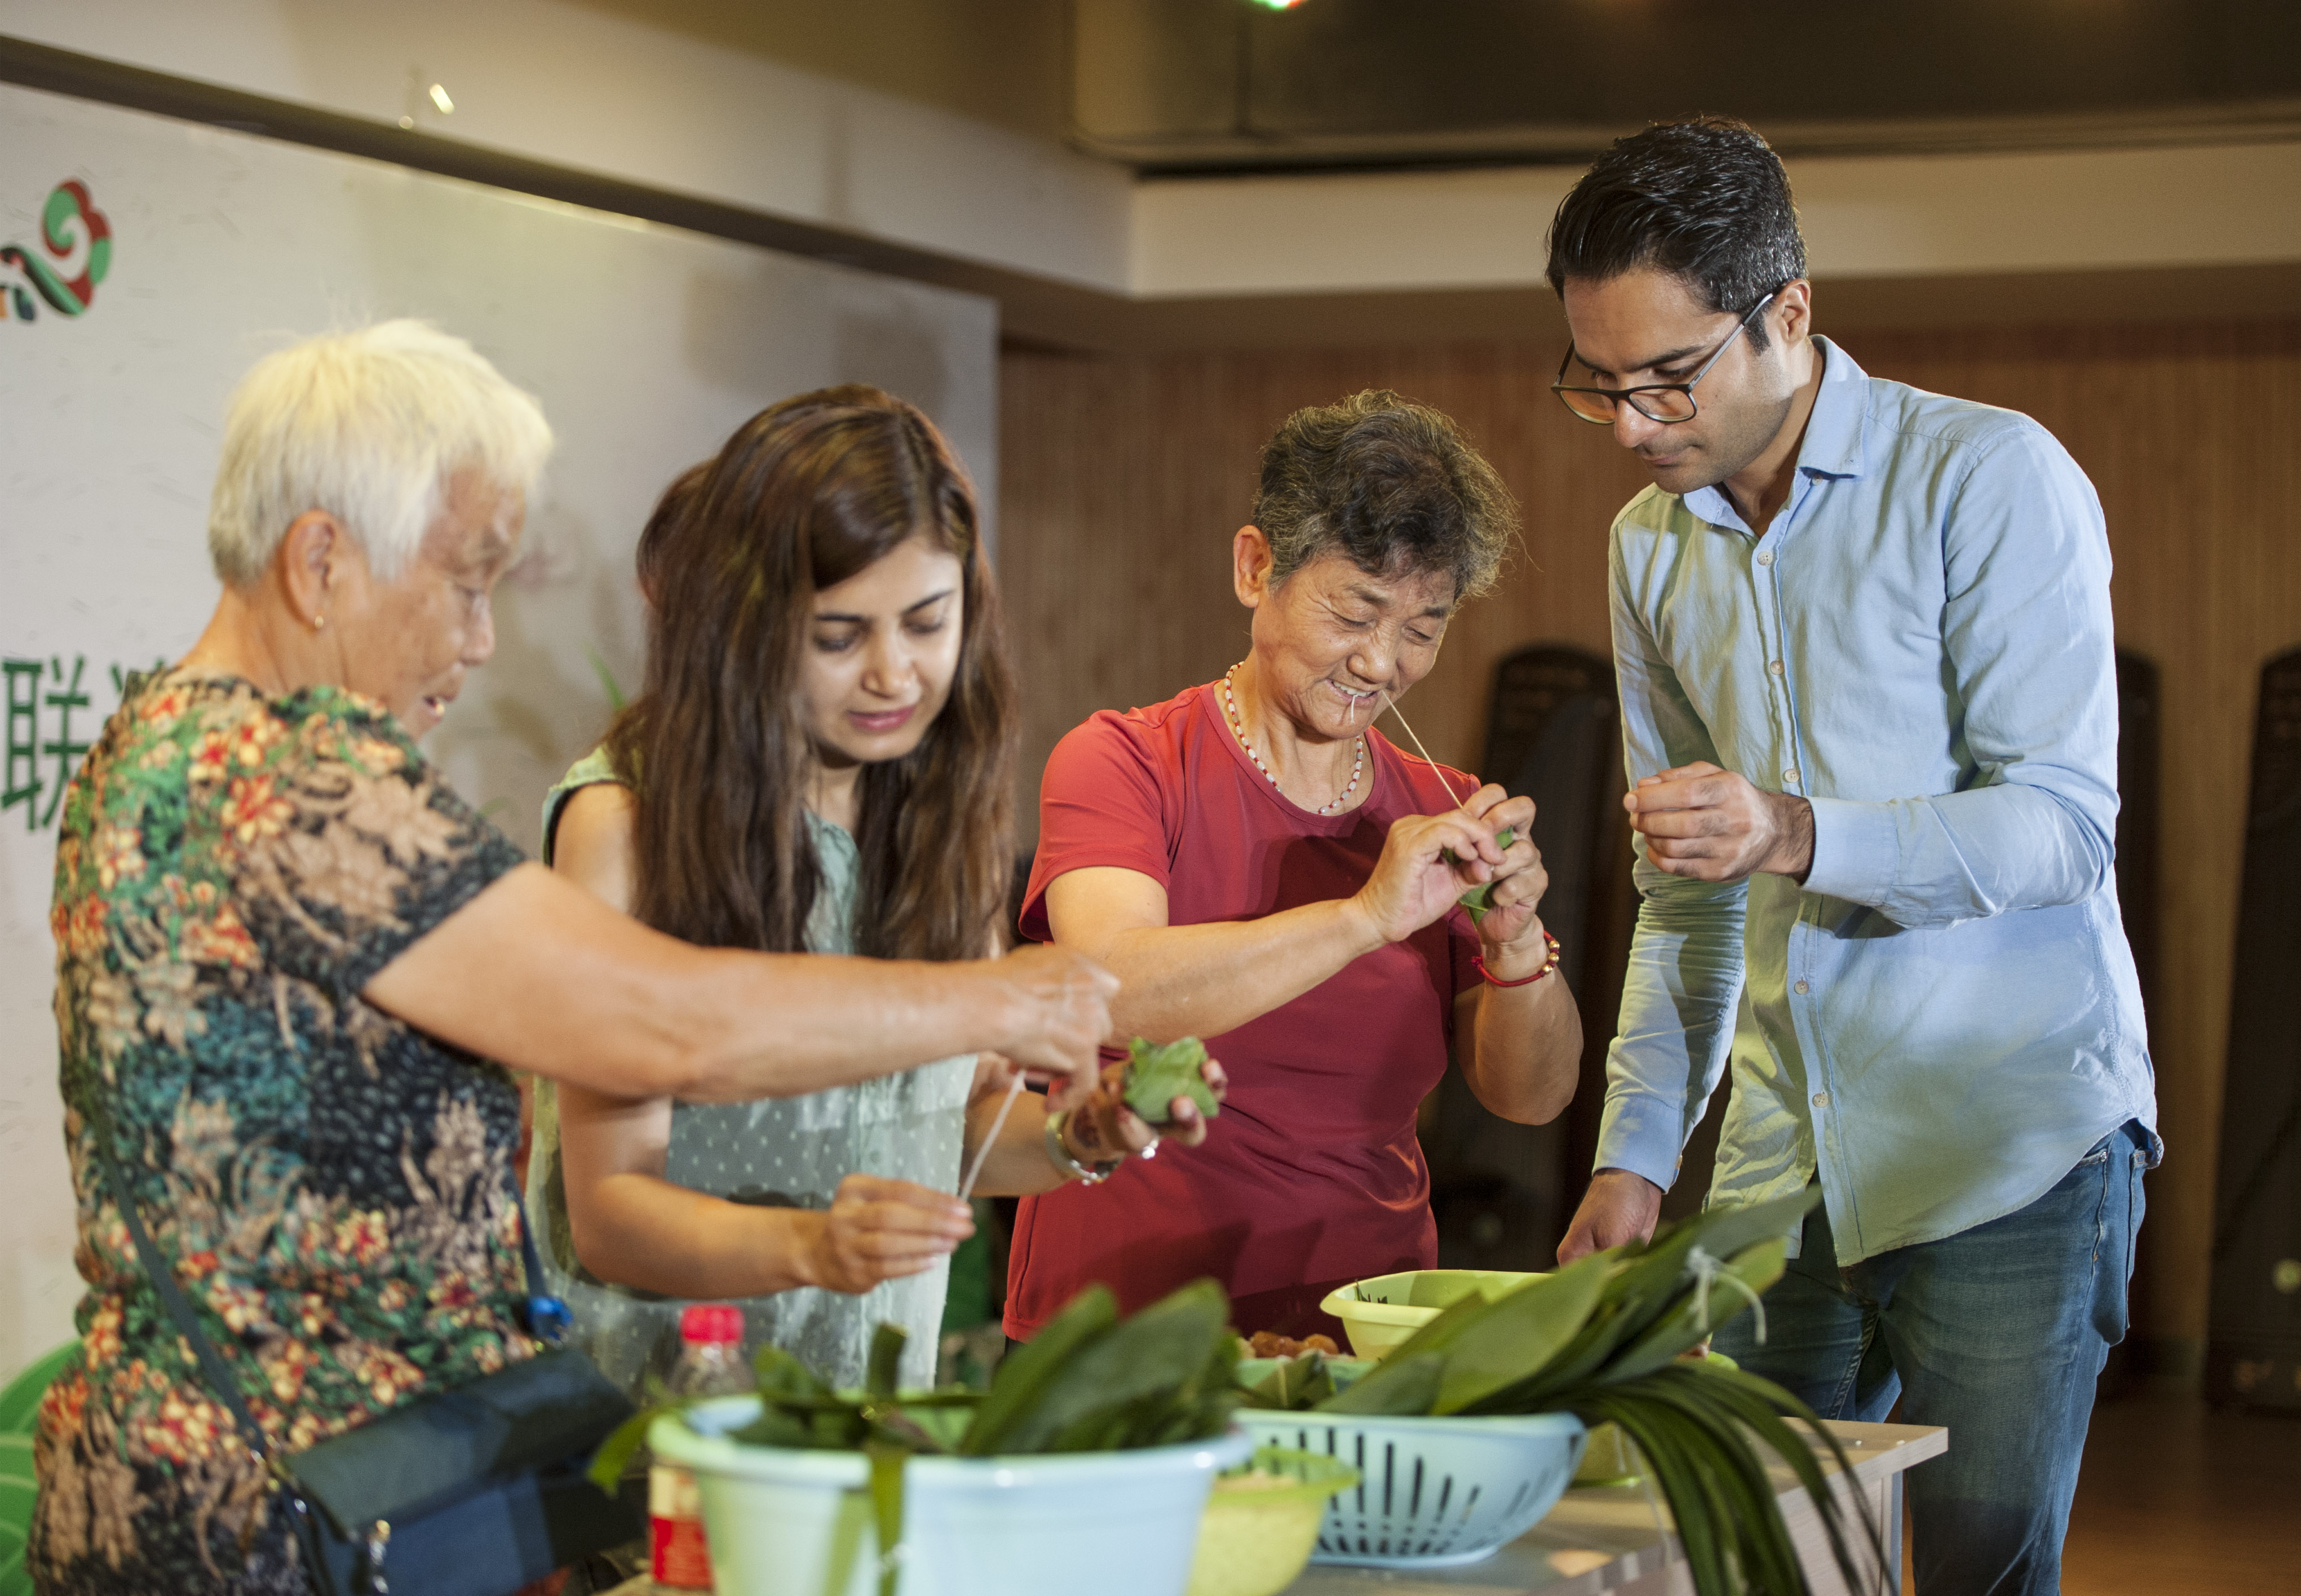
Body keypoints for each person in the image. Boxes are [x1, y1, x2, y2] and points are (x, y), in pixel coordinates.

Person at [29, 324, 1114, 1596]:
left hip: (225, 1485)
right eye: (465, 585)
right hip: (292, 1511)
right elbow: (662, 1030)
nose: (483, 640)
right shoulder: (303, 790)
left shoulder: (152, 743)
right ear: (320, 561)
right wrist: (993, 995)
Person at [1545, 118, 2158, 1595]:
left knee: (1972, 1578)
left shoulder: (1986, 478)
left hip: (2003, 1151)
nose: (1634, 425)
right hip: (1777, 1170)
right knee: (1737, 1562)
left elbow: (2063, 824)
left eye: (1669, 379)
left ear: (1789, 317)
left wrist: (1796, 830)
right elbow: (1685, 886)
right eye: (1598, 386)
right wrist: (1635, 1155)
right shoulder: (1649, 546)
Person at [533, 386, 1219, 1396]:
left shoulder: (935, 811)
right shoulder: (623, 822)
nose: (894, 674)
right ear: (747, 627)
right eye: (839, 636)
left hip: (860, 1409)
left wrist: (1083, 1136)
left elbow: (948, 1124)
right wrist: (812, 1245)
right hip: (658, 1433)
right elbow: (611, 1214)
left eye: (927, 623)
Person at [1008, 391, 1583, 1342]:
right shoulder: (1124, 761)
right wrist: (1363, 916)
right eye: (1355, 612)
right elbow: (1114, 992)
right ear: (1254, 568)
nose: (1379, 662)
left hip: (1364, 1325)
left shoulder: (1437, 808)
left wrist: (1514, 944)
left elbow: (1529, 1099)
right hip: (1117, 1331)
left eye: (1420, 628)